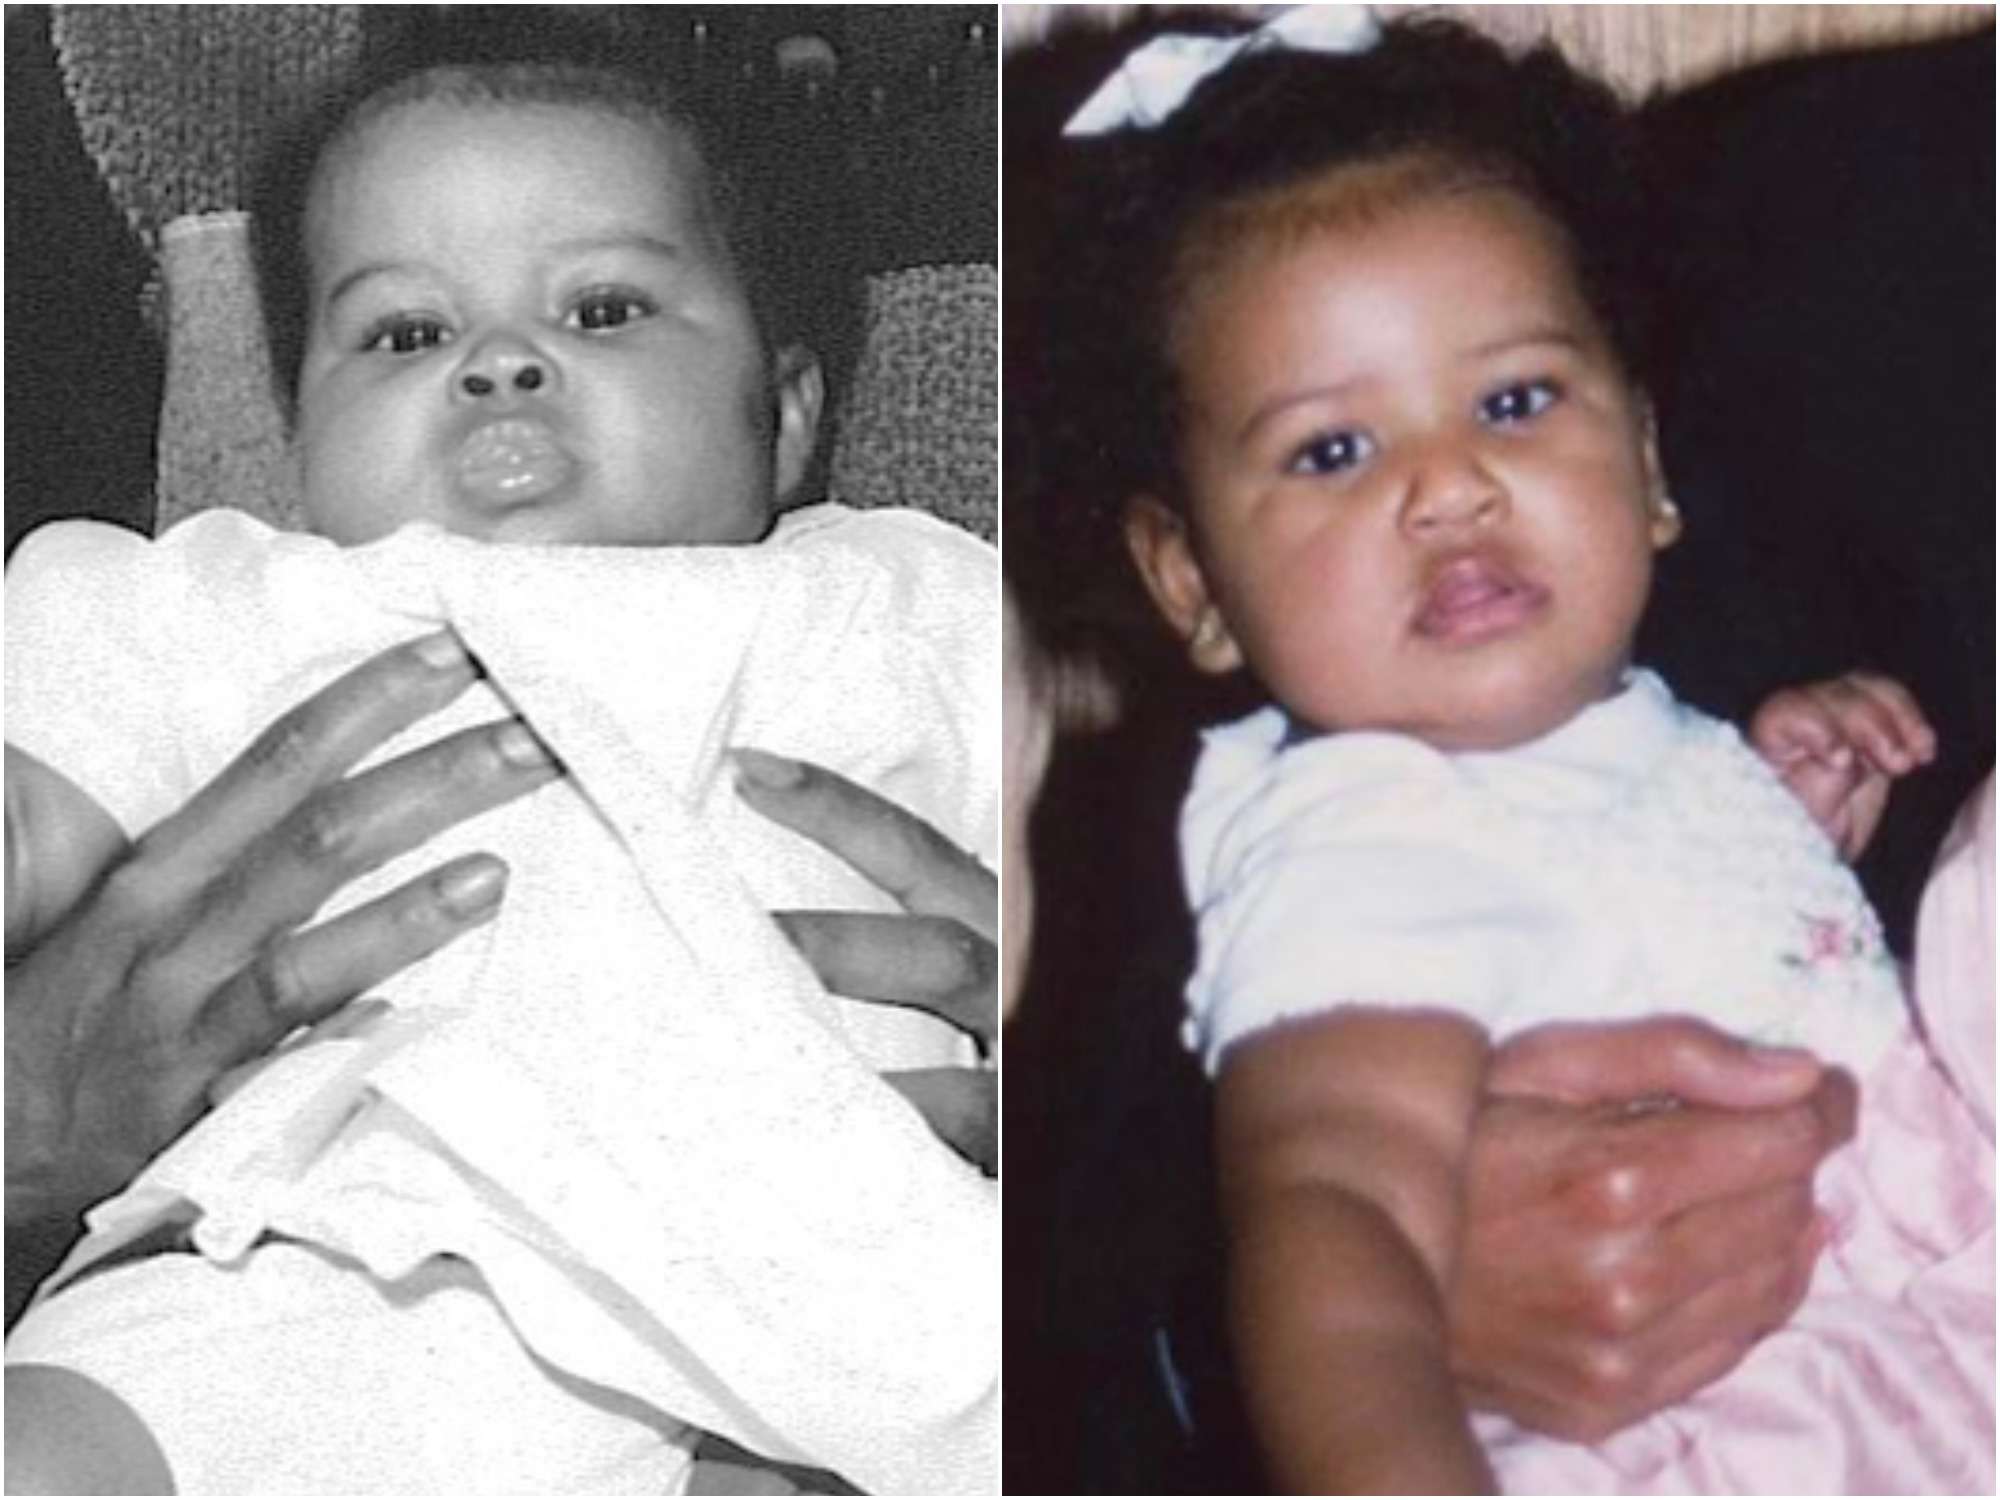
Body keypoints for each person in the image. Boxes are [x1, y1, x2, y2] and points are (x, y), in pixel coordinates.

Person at [5, 57, 995, 1495]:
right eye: (403, 332)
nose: (497, 361)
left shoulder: (895, 599)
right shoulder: (239, 604)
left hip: (822, 1280)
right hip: (321, 1252)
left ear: (782, 417)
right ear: (298, 447)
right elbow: (35, 805)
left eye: (602, 308)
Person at [1035, 10, 1992, 1493]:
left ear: (1652, 470)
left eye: (1514, 403)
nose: (1451, 487)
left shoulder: (1619, 749)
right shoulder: (1360, 842)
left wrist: (1777, 825)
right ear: (1195, 589)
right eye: (1333, 451)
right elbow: (1335, 1235)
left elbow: (1635, 917)